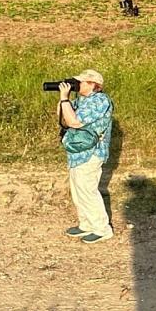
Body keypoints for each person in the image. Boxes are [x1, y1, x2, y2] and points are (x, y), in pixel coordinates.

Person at [57, 68, 114, 244]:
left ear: (92, 84)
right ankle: (86, 224)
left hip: (91, 152)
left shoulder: (100, 101)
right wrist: (62, 99)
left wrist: (65, 99)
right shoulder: (81, 100)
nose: (76, 85)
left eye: (80, 82)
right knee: (77, 190)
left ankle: (102, 229)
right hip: (77, 152)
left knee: (88, 190)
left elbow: (75, 122)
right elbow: (64, 119)